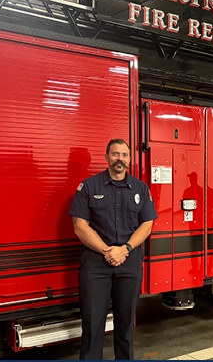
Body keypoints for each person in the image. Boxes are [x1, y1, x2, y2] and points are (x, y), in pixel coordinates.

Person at [69, 139, 157, 360]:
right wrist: (107, 251)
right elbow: (79, 225)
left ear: (129, 159)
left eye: (125, 155)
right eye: (115, 154)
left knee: (125, 324)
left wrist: (124, 249)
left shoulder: (140, 188)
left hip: (129, 263)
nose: (120, 159)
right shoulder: (89, 186)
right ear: (106, 157)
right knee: (92, 324)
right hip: (96, 263)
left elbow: (147, 225)